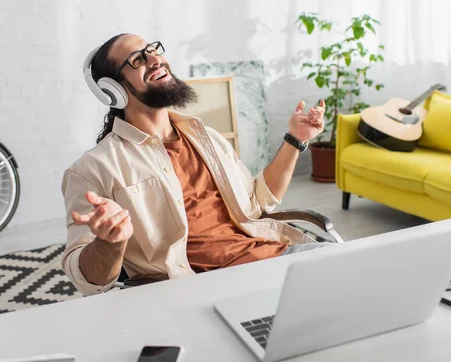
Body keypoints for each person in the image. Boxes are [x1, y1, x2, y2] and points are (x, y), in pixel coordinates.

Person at [62, 33, 328, 296]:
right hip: (205, 289)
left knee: (358, 274)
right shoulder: (93, 170)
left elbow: (259, 202)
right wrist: (110, 243)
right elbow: (88, 281)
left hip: (275, 259)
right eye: (137, 60)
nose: (154, 59)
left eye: (152, 49)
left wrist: (295, 140)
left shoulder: (207, 137)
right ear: (113, 90)